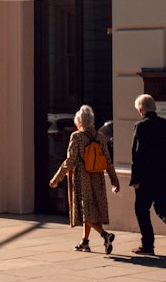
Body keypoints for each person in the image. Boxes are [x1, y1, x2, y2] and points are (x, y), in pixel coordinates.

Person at [48, 103, 120, 253]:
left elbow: (70, 161)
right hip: (97, 178)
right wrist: (115, 181)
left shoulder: (76, 137)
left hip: (82, 178)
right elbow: (107, 160)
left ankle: (105, 235)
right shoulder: (100, 136)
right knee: (90, 210)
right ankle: (85, 242)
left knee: (86, 212)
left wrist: (56, 178)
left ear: (79, 121)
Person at [130, 93, 166, 256]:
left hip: (146, 176)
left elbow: (137, 154)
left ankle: (147, 245)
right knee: (161, 206)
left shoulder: (140, 126)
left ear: (141, 110)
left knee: (141, 209)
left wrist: (135, 179)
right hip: (165, 174)